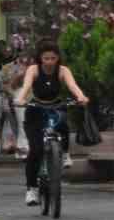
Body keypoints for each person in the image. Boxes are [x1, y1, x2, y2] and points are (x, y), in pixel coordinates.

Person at [14, 40, 89, 205]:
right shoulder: (33, 70)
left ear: (58, 58)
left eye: (53, 58)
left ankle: (64, 154)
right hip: (35, 109)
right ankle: (32, 189)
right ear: (40, 58)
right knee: (36, 150)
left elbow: (73, 86)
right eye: (46, 58)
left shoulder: (63, 71)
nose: (49, 61)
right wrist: (20, 99)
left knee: (62, 120)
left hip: (55, 106)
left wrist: (81, 97)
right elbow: (26, 87)